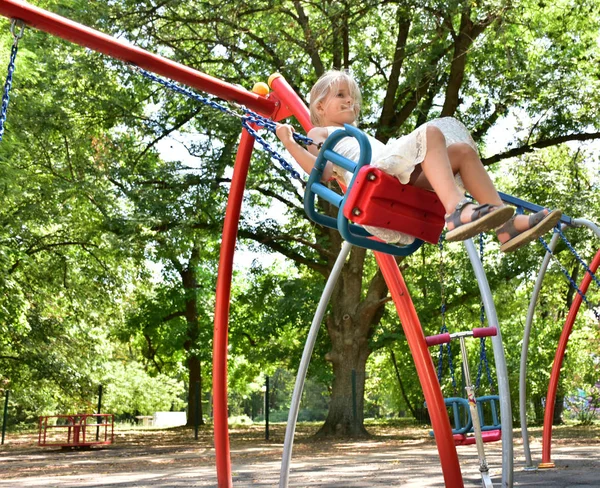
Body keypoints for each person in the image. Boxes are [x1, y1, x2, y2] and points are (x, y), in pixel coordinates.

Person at [275, 70, 561, 252]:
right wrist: (289, 142)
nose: (350, 101)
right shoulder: (320, 131)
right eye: (341, 95)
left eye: (352, 96)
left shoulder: (354, 132)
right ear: (320, 106)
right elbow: (320, 171)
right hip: (375, 176)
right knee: (431, 133)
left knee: (461, 151)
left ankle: (505, 226)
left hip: (397, 177)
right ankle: (456, 211)